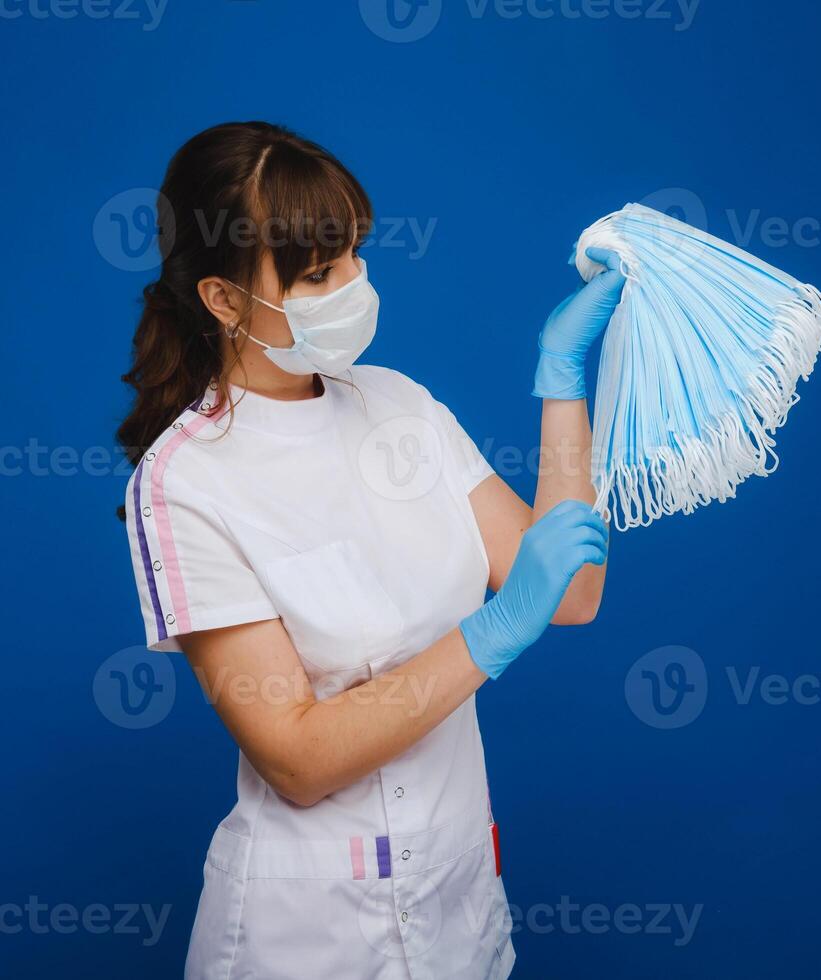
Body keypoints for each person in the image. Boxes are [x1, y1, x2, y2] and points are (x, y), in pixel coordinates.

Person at [117, 121, 620, 979]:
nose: (353, 284)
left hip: (460, 913)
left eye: (354, 255)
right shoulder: (183, 483)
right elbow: (298, 760)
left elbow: (570, 595)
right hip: (308, 940)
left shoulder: (399, 405)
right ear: (224, 299)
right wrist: (493, 633)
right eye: (318, 274)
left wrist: (563, 382)